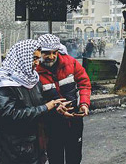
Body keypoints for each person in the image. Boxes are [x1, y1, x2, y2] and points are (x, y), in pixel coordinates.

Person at [0, 39, 66, 164]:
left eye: (38, 59)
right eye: (33, 58)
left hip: (32, 149)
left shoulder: (32, 80)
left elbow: (38, 104)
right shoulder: (0, 83)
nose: (36, 63)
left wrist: (54, 108)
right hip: (8, 154)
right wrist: (45, 108)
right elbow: (9, 116)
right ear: (21, 57)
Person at [36, 34, 92, 164]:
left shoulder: (71, 62)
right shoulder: (34, 72)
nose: (51, 56)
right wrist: (55, 107)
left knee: (75, 156)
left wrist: (84, 103)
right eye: (46, 53)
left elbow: (84, 84)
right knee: (55, 157)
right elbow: (34, 100)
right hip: (51, 124)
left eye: (54, 52)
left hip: (74, 120)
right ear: (39, 53)